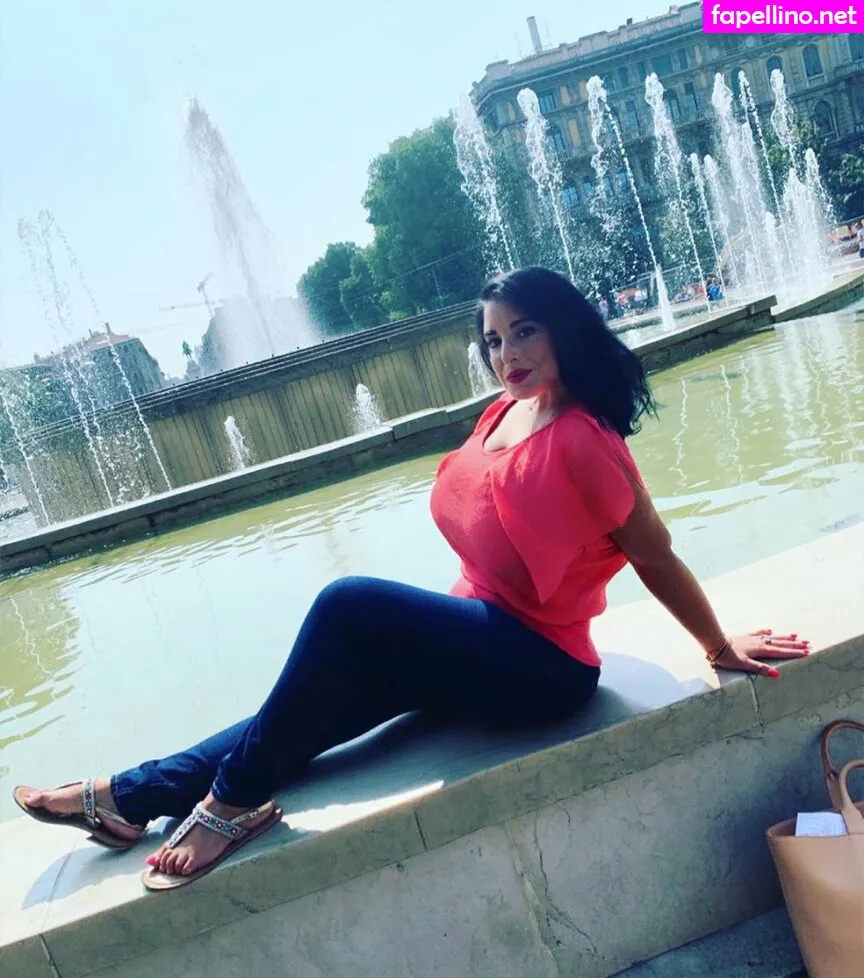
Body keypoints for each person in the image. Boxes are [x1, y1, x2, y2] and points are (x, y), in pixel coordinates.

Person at [13, 267, 810, 892]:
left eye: (524, 331)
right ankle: (128, 798)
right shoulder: (506, 412)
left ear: (563, 329)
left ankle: (231, 803)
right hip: (477, 644)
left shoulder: (584, 440)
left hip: (541, 669)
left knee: (349, 603)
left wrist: (717, 644)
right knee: (300, 709)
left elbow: (654, 553)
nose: (506, 354)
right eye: (493, 340)